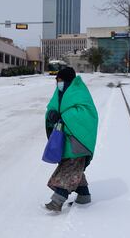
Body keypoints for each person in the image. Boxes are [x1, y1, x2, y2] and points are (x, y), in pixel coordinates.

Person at [44, 67, 98, 212]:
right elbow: (52, 107)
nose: (58, 83)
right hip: (65, 139)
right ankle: (84, 196)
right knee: (74, 169)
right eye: (57, 80)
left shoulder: (79, 93)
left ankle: (57, 201)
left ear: (68, 80)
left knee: (69, 169)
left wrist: (63, 118)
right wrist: (51, 114)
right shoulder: (60, 93)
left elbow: (85, 115)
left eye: (60, 80)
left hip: (78, 140)